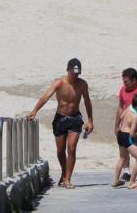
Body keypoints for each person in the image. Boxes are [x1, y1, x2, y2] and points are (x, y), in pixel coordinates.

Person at [29, 58, 94, 189]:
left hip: (75, 119)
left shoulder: (82, 84)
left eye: (77, 73)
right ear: (68, 70)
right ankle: (64, 173)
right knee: (60, 150)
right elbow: (46, 96)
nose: (75, 76)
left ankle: (68, 179)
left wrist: (90, 120)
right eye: (73, 73)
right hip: (60, 119)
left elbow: (87, 101)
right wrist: (35, 111)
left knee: (71, 148)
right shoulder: (59, 83)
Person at [113, 94, 137, 189]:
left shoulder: (128, 108)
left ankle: (115, 181)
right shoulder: (136, 117)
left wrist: (122, 125)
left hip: (120, 134)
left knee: (122, 158)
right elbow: (132, 133)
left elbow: (121, 117)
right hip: (127, 137)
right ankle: (132, 182)